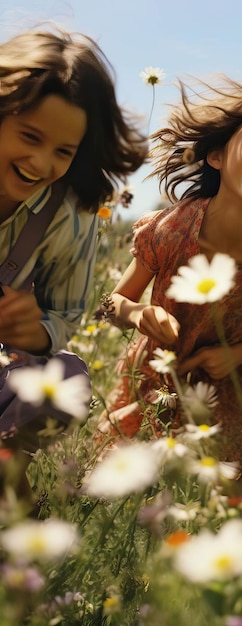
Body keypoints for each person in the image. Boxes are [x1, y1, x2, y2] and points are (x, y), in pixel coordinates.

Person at [97, 76, 242, 481]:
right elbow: (110, 304)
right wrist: (137, 314)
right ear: (217, 156)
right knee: (125, 493)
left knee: (219, 504)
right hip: (156, 377)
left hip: (231, 391)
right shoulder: (170, 229)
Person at [0, 27, 148, 494]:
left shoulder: (68, 215)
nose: (41, 163)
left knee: (67, 376)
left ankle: (11, 495)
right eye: (30, 136)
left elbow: (64, 313)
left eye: (63, 151)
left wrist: (37, 331)